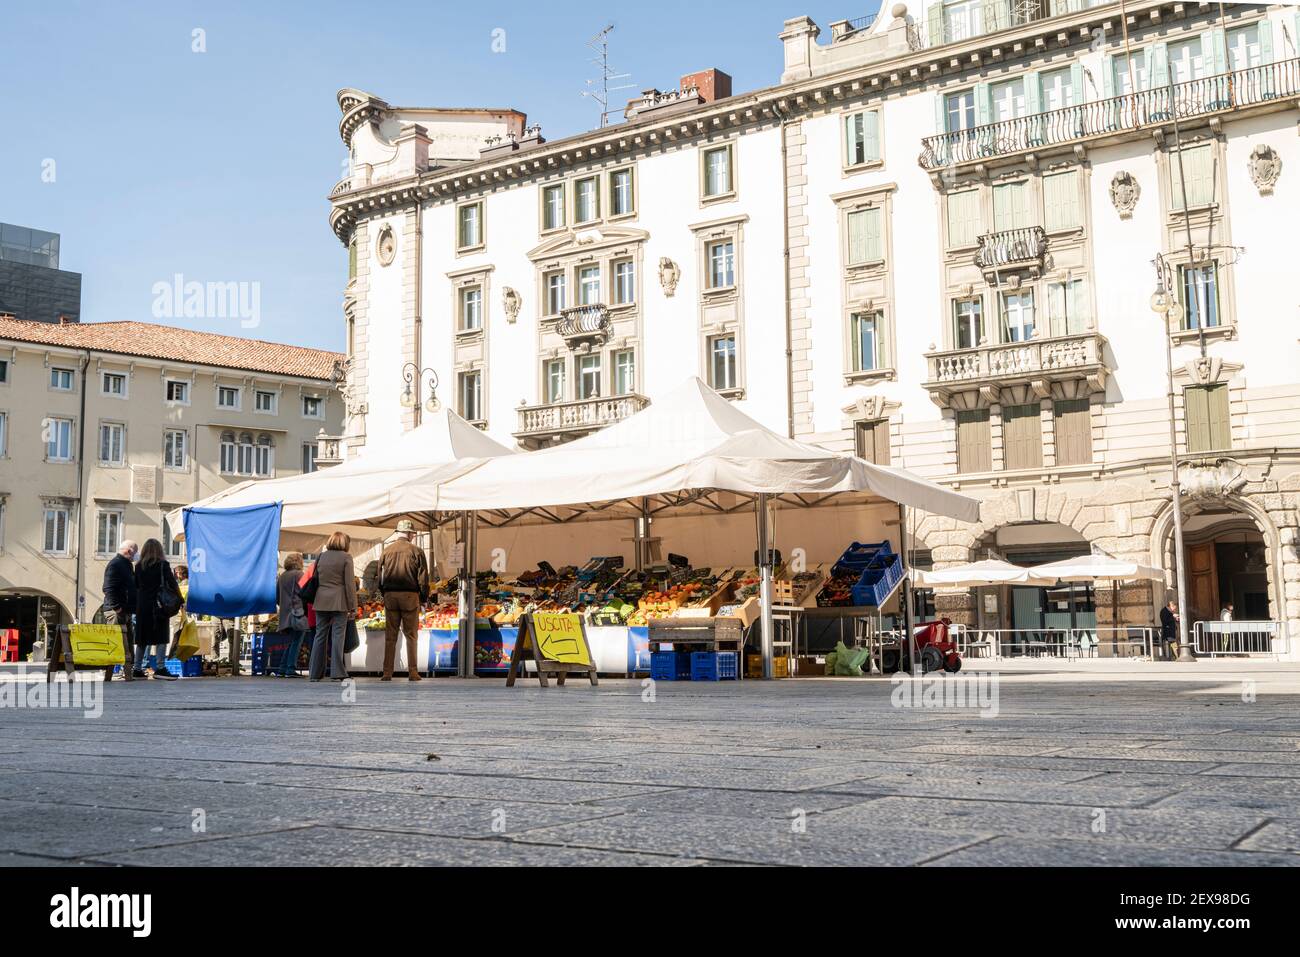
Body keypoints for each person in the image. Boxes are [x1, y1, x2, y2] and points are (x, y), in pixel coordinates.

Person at [378, 519, 429, 682]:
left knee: (390, 636)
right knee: (411, 635)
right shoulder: (417, 551)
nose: (413, 536)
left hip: (390, 596)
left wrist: (384, 593)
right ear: (408, 533)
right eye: (413, 534)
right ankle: (413, 672)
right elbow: (423, 579)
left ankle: (387, 672)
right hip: (410, 596)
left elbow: (379, 576)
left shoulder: (386, 550)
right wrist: (423, 598)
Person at [309, 532, 356, 681]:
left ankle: (314, 673)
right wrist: (352, 605)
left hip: (321, 600)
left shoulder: (321, 556)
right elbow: (349, 584)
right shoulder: (346, 557)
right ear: (344, 543)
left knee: (319, 636)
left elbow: (315, 578)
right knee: (337, 637)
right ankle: (337, 673)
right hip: (339, 601)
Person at [135, 539, 180, 680]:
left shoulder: (138, 567)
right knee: (161, 637)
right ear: (160, 551)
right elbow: (172, 585)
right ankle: (160, 668)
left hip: (142, 606)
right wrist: (179, 600)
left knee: (142, 639)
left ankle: (137, 668)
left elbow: (136, 586)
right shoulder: (163, 565)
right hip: (159, 606)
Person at [103, 540, 139, 681]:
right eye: (135, 552)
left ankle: (127, 673)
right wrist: (117, 607)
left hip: (124, 610)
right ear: (129, 551)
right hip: (117, 610)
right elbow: (108, 588)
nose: (136, 555)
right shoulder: (116, 564)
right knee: (116, 643)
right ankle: (111, 673)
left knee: (127, 642)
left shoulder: (126, 565)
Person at [276, 553, 310, 677]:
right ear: (299, 562)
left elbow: (277, 597)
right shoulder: (300, 575)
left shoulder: (282, 576)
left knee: (291, 641)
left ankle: (282, 668)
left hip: (285, 614)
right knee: (297, 641)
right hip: (298, 613)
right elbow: (307, 591)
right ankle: (290, 668)